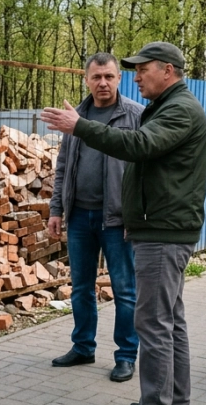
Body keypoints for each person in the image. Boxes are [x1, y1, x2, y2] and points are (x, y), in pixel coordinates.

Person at [40, 41, 206, 405]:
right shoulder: (169, 106)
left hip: (162, 229)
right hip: (159, 225)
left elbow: (138, 146)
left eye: (142, 69)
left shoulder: (178, 109)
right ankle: (173, 402)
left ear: (167, 70)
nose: (136, 77)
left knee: (151, 322)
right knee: (170, 321)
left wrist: (80, 126)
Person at [47, 53, 143, 383]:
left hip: (117, 219)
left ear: (119, 79)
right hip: (79, 217)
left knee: (125, 290)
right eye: (96, 77)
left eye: (109, 77)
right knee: (81, 288)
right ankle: (83, 346)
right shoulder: (77, 116)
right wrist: (56, 210)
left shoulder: (134, 115)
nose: (103, 83)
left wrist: (138, 214)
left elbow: (145, 169)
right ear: (86, 80)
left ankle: (126, 356)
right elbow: (62, 167)